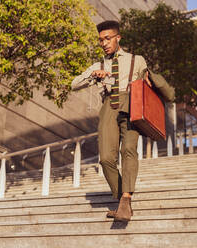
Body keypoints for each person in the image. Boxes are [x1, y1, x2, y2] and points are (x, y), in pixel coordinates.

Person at [72, 20, 150, 222]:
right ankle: (121, 194)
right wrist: (93, 75)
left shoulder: (137, 60)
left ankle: (125, 201)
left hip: (132, 105)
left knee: (129, 150)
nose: (104, 43)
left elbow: (148, 84)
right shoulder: (97, 65)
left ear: (118, 38)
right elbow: (74, 84)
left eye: (108, 38)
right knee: (106, 158)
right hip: (109, 106)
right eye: (101, 40)